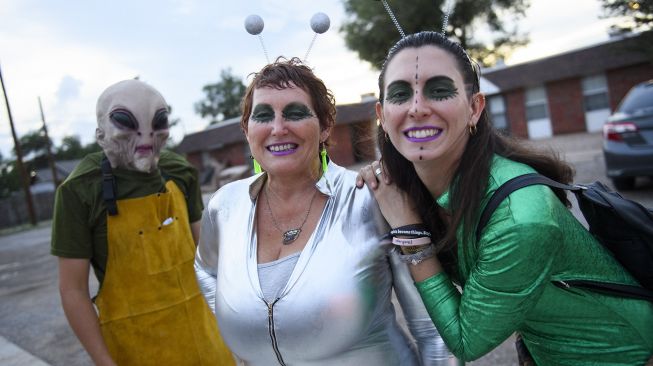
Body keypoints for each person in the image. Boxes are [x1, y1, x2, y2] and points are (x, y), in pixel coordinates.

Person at [356, 31, 653, 365]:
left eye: (439, 90)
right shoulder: (412, 184)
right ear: (382, 115)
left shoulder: (522, 218)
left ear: (474, 108)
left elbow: (467, 341)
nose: (417, 108)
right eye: (400, 94)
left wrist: (410, 231)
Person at [194, 57, 453, 365]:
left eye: (295, 113)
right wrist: (246, 325)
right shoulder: (224, 206)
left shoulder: (371, 198)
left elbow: (434, 331)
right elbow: (205, 269)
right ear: (247, 130)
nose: (278, 128)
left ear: (326, 126)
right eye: (263, 116)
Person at [51, 79, 234, 365]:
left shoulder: (180, 171)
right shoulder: (79, 191)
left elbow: (208, 259)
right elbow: (72, 290)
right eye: (126, 123)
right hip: (134, 349)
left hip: (206, 343)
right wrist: (104, 361)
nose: (146, 139)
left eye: (158, 123)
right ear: (101, 133)